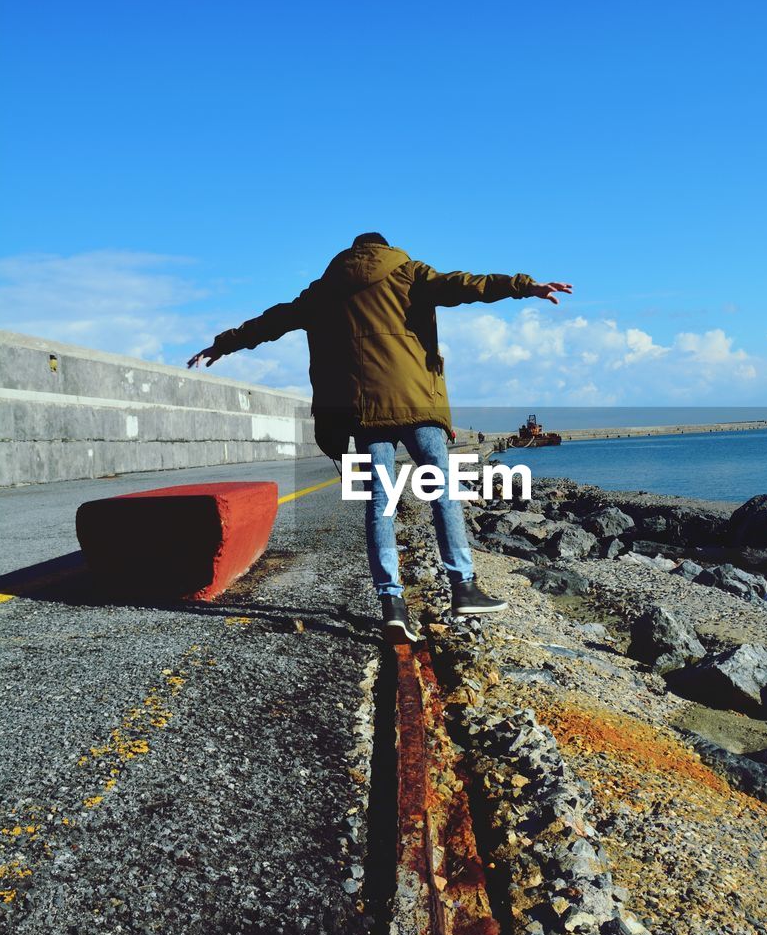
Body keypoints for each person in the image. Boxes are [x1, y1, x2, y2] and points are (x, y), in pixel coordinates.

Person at [188, 232, 572, 642]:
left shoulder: (325, 289)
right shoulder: (408, 272)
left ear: (352, 252)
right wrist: (523, 286)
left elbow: (272, 321)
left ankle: (392, 604)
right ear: (385, 249)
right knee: (443, 490)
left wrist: (222, 345)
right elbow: (466, 285)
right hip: (417, 402)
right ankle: (463, 587)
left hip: (364, 411)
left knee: (380, 502)